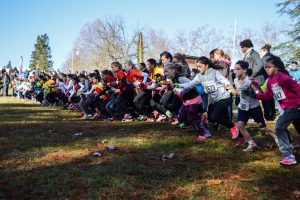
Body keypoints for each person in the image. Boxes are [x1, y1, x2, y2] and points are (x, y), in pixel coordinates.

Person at [251, 55, 300, 165]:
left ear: (276, 67)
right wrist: (256, 93)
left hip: (294, 107)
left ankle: (289, 156)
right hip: (288, 108)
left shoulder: (283, 77)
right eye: (265, 67)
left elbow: (298, 88)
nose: (266, 69)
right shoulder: (270, 80)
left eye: (268, 67)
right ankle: (289, 150)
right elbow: (267, 96)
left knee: (279, 127)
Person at [179, 56, 238, 139]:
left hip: (225, 97)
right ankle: (241, 135)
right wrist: (178, 85)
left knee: (215, 116)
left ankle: (233, 126)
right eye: (197, 67)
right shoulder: (199, 76)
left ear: (206, 65)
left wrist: (231, 89)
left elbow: (224, 81)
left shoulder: (214, 72)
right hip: (216, 100)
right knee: (212, 117)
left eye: (200, 66)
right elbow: (190, 85)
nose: (198, 68)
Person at [232, 60, 278, 151]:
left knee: (263, 128)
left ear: (244, 70)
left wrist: (253, 93)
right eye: (234, 69)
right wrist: (235, 92)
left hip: (254, 107)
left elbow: (259, 93)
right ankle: (251, 143)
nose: (235, 71)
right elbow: (239, 92)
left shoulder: (250, 81)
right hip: (243, 107)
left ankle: (278, 139)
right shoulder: (235, 80)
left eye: (237, 69)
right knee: (240, 125)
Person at [164, 62, 210, 141]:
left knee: (191, 117)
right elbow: (176, 88)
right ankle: (201, 118)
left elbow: (191, 85)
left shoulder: (180, 78)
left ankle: (204, 133)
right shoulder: (172, 79)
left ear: (173, 71)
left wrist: (181, 91)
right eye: (164, 71)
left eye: (166, 71)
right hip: (186, 101)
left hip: (194, 99)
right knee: (181, 117)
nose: (164, 73)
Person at [260, 44, 276, 121]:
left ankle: (268, 115)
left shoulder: (264, 59)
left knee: (265, 98)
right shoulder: (273, 57)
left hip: (265, 80)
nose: (260, 53)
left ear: (265, 50)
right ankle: (272, 114)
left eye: (261, 52)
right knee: (271, 98)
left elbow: (261, 68)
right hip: (272, 79)